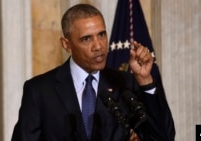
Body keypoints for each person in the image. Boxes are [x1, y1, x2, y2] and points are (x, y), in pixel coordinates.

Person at [11, 3, 175, 141]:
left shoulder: (126, 84)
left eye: (102, 35)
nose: (98, 46)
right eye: (86, 39)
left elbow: (163, 137)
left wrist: (145, 80)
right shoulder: (39, 91)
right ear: (66, 44)